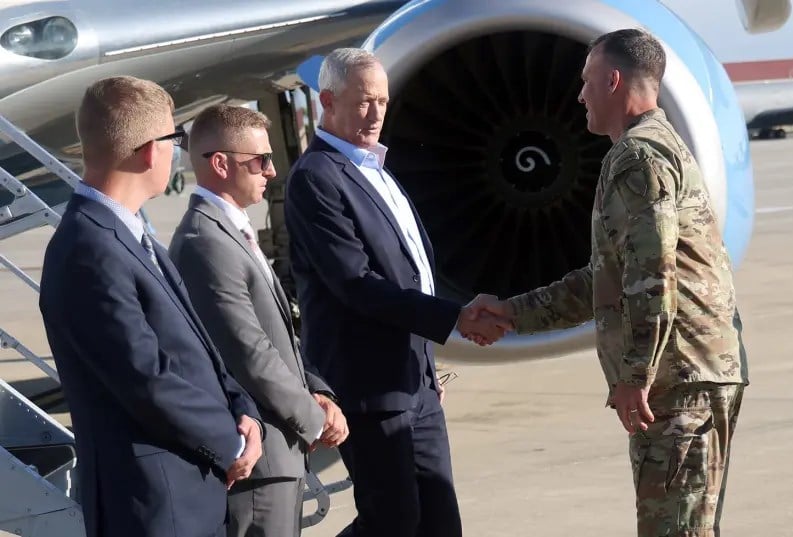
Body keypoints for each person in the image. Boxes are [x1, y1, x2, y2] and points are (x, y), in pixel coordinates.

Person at [467, 29, 749, 537]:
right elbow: (612, 278)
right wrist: (514, 311)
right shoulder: (656, 148)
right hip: (690, 372)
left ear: (614, 80)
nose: (580, 95)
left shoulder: (638, 158)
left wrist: (635, 375)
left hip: (676, 378)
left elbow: (650, 278)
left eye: (587, 81)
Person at [283, 48, 509, 537]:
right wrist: (454, 318)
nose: (376, 114)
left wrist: (427, 365)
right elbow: (357, 285)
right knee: (394, 522)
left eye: (383, 102)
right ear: (327, 100)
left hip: (416, 384)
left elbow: (410, 272)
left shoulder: (375, 169)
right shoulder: (317, 178)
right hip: (370, 390)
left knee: (441, 522)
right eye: (364, 101)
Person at [38, 76, 264, 537]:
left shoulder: (130, 235)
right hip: (155, 508)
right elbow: (146, 379)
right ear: (147, 150)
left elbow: (196, 347)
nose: (177, 150)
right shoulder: (89, 248)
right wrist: (231, 439)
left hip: (187, 494)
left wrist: (243, 407)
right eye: (174, 139)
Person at [168, 103, 348, 537]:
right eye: (260, 161)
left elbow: (278, 334)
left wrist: (319, 392)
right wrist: (314, 417)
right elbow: (248, 352)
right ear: (220, 164)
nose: (271, 171)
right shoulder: (205, 241)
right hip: (259, 464)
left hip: (278, 453)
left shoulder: (232, 230)